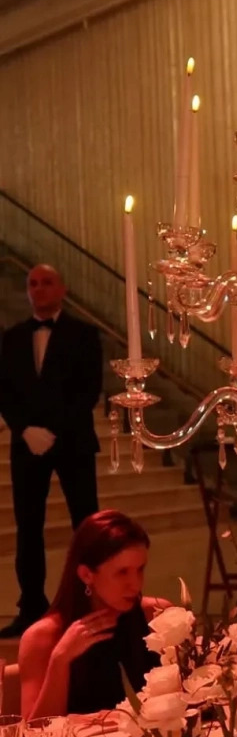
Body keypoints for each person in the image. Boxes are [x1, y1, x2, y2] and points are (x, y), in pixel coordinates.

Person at [0, 264, 103, 637]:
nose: (39, 289)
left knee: (86, 525)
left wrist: (53, 430)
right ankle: (30, 607)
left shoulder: (84, 334)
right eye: (33, 283)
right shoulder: (11, 337)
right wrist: (25, 429)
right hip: (27, 444)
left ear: (62, 289)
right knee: (28, 527)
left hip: (73, 441)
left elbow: (89, 390)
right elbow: (3, 390)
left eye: (47, 282)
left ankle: (91, 601)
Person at [19, 511, 168, 719]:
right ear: (87, 575)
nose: (135, 584)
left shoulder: (157, 616)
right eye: (122, 572)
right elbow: (35, 732)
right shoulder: (43, 637)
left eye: (140, 569)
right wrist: (60, 660)